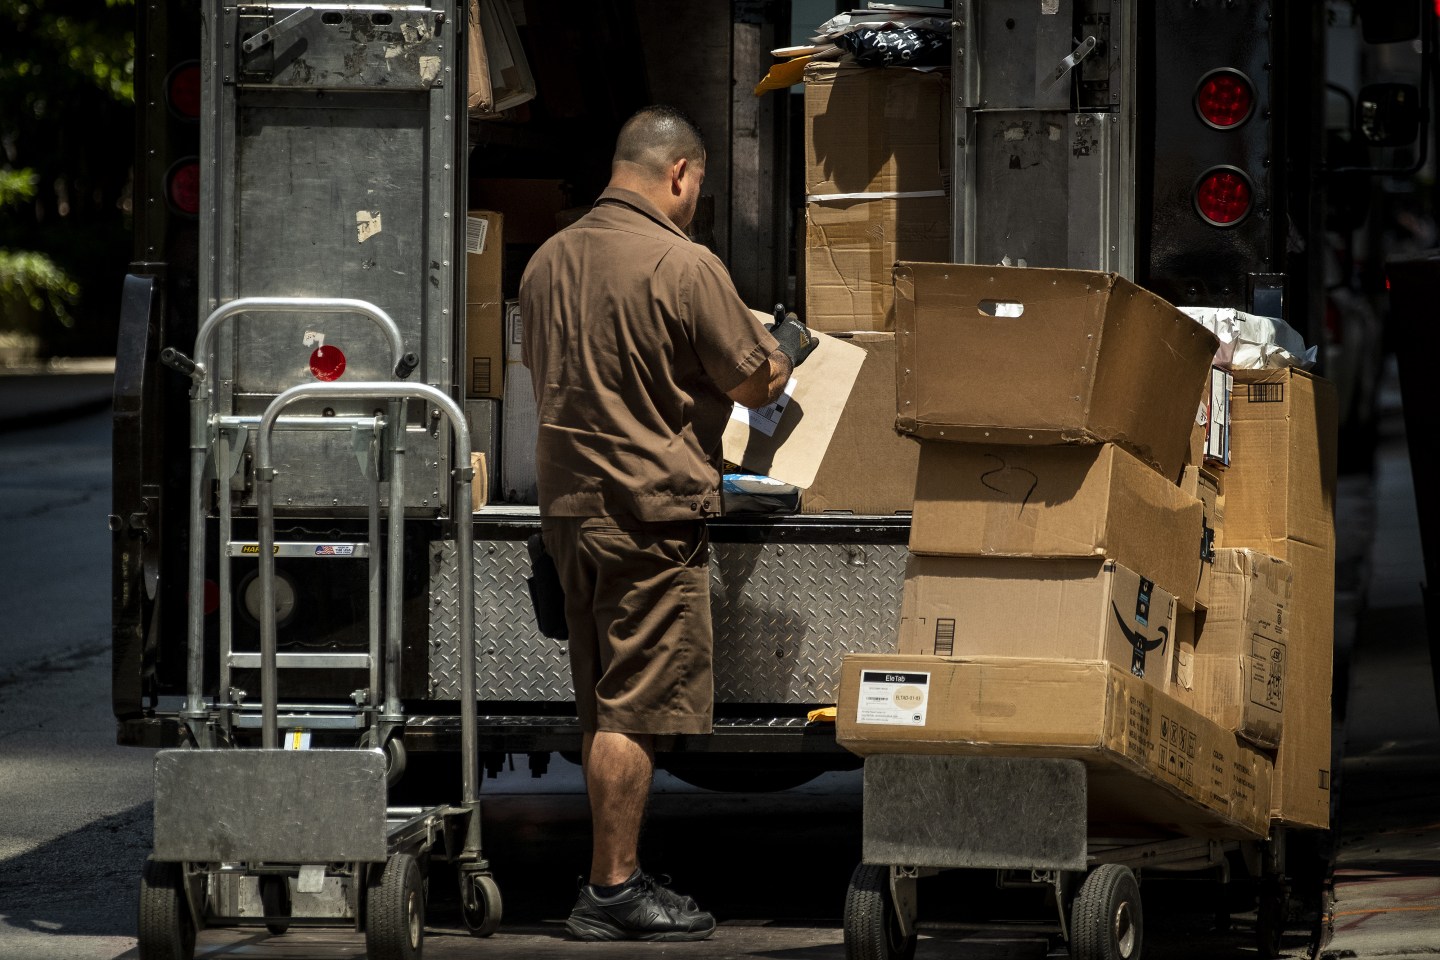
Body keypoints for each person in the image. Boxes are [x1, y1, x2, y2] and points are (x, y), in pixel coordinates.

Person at [518, 104, 818, 942]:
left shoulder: (545, 262)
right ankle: (612, 890)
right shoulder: (684, 266)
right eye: (698, 187)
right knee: (632, 712)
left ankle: (615, 875)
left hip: (568, 515)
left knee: (599, 704)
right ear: (679, 174)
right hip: (648, 517)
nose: (695, 201)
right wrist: (780, 351)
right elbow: (756, 380)